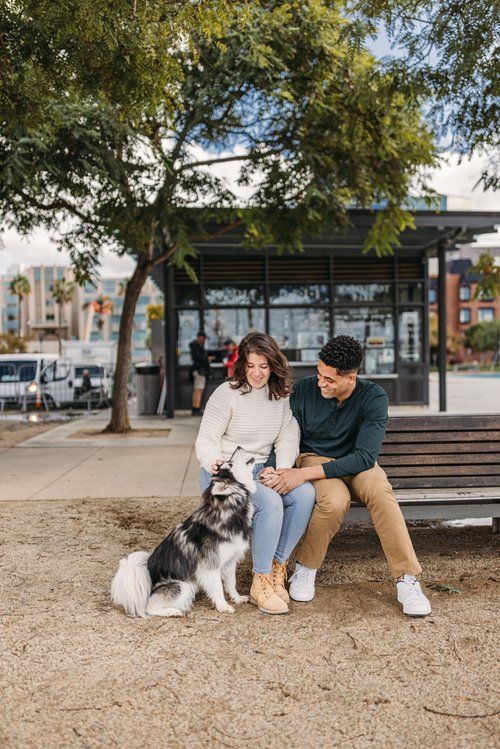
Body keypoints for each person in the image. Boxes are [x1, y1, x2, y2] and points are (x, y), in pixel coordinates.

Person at [261, 335, 431, 617]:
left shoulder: (373, 397)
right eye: (319, 374)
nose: (321, 383)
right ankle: (306, 568)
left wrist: (301, 475)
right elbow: (284, 435)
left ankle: (407, 579)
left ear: (351, 377)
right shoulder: (304, 390)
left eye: (329, 380)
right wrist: (275, 466)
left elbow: (365, 457)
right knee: (335, 499)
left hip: (356, 462)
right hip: (314, 457)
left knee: (380, 491)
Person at [196, 332, 316, 616]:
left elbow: (287, 435)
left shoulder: (280, 397)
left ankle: (276, 567)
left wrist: (282, 469)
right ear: (242, 365)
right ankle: (259, 580)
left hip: (259, 469)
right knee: (271, 503)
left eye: (263, 366)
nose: (257, 373)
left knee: (304, 494)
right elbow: (206, 438)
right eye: (251, 366)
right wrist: (214, 460)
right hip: (223, 472)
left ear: (273, 365)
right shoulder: (227, 394)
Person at [189, 331, 212, 416]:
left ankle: (195, 408)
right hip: (199, 371)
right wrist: (207, 358)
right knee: (198, 390)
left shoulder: (195, 346)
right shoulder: (196, 346)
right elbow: (198, 358)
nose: (204, 341)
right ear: (200, 337)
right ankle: (196, 409)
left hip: (198, 371)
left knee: (198, 390)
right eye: (204, 339)